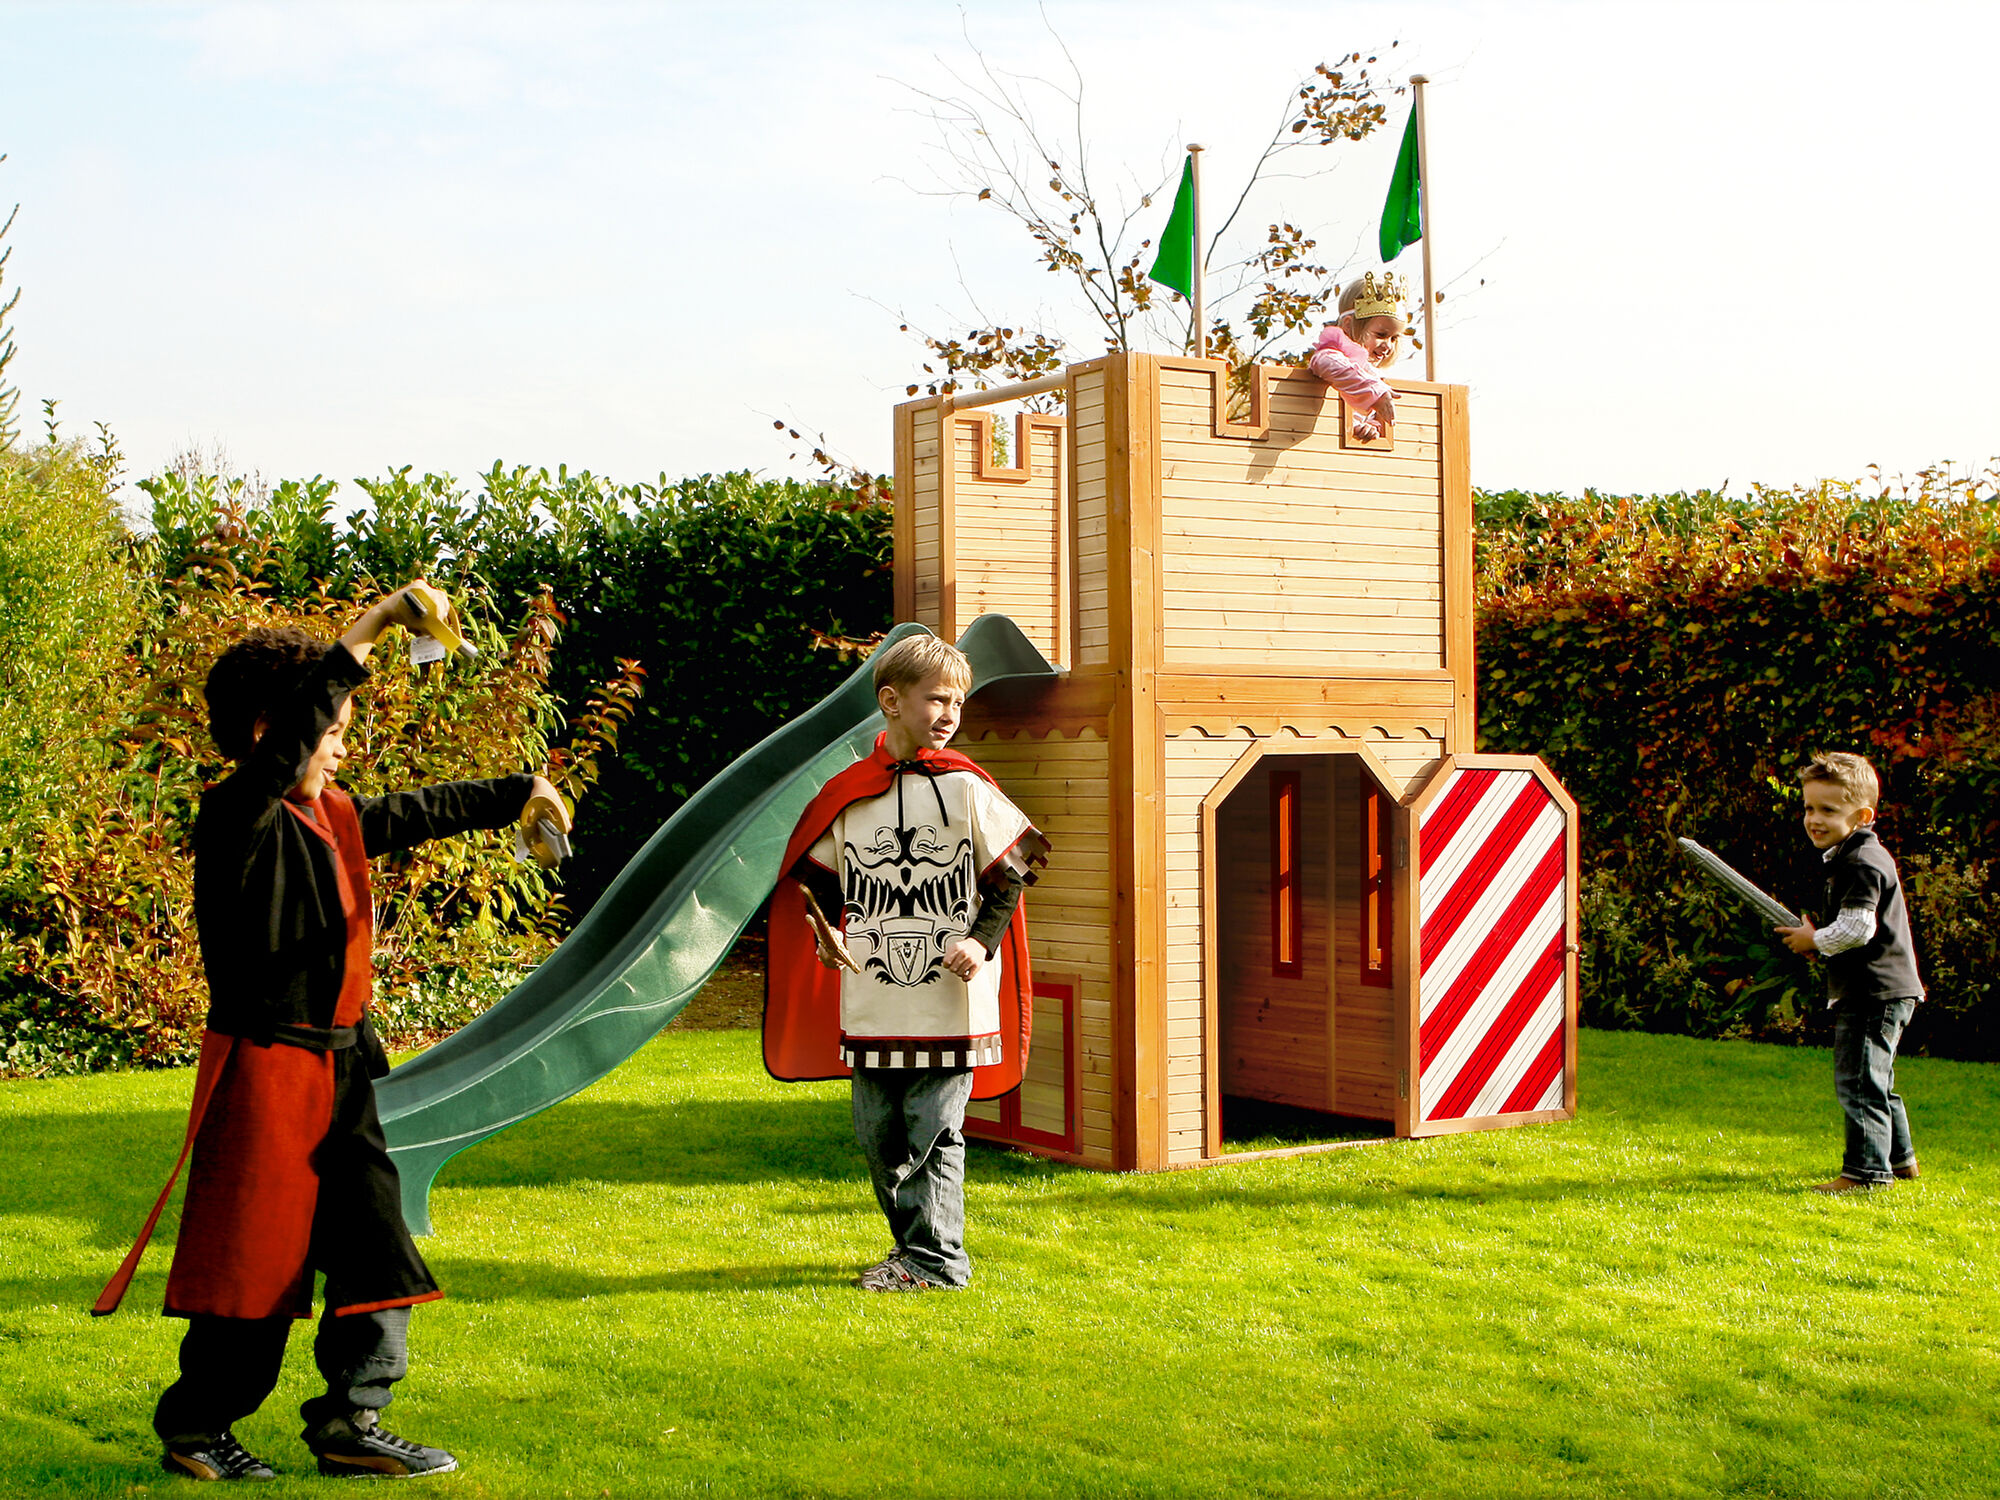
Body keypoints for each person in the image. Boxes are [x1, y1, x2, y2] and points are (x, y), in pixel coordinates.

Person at [94, 583, 570, 1481]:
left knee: (375, 1249)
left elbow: (416, 811)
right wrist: (373, 628)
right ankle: (198, 1429)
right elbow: (285, 753)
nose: (345, 739)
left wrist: (521, 791)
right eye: (335, 721)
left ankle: (351, 1422)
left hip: (341, 1078)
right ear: (277, 728)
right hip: (265, 1078)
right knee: (255, 1271)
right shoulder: (237, 818)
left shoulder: (335, 814)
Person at [762, 634, 1048, 1292]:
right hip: (874, 1001)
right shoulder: (849, 794)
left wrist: (980, 940)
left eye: (959, 701)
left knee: (933, 1130)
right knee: (880, 1136)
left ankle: (938, 1261)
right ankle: (915, 1249)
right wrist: (823, 932)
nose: (950, 712)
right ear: (891, 701)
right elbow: (813, 883)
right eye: (937, 698)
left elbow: (1020, 864)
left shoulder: (968, 788)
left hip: (951, 999)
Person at [1774, 752, 1923, 1194]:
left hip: (1874, 991)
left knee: (1860, 1081)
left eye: (1828, 810)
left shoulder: (1861, 862)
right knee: (1877, 1079)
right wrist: (1817, 935)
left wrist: (1813, 941)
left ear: (1862, 815)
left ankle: (1865, 1174)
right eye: (1808, 808)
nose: (1813, 819)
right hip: (1885, 989)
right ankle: (1901, 1160)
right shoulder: (1853, 856)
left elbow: (1858, 928)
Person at [1307, 270, 1407, 441]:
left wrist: (1370, 427)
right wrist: (1374, 393)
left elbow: (1370, 415)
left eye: (1394, 338)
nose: (1388, 345)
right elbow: (1326, 363)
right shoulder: (1332, 356)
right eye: (1381, 335)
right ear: (1348, 325)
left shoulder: (1374, 375)